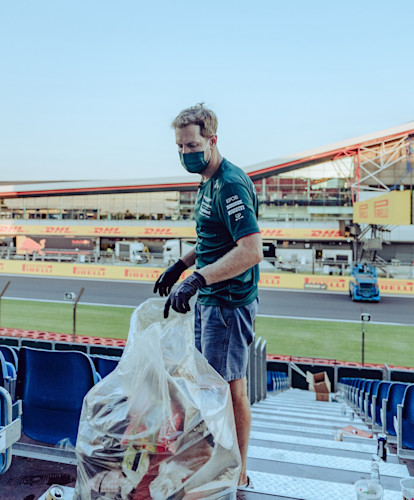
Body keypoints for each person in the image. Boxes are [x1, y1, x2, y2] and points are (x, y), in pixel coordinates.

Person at [153, 103, 263, 488]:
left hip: (229, 303)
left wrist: (197, 279)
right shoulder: (206, 180)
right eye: (180, 147)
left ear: (212, 141)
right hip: (210, 300)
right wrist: (180, 265)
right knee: (211, 387)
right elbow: (212, 240)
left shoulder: (230, 183)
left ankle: (239, 472)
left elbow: (250, 249)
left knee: (230, 389)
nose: (186, 154)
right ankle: (218, 461)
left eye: (192, 145)